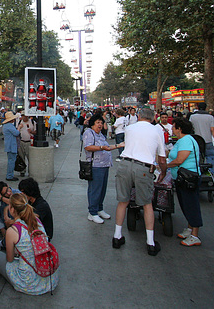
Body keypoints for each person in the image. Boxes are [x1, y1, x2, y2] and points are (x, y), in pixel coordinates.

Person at [113, 108, 167, 256]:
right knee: (147, 203)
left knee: (122, 201)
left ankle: (117, 236)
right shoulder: (157, 130)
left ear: (139, 116)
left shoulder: (129, 128)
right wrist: (164, 171)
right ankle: (150, 242)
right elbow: (161, 158)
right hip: (143, 167)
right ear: (153, 117)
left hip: (125, 164)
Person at [0, 193, 59, 295]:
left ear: (12, 209)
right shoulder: (37, 220)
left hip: (28, 281)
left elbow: (10, 259)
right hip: (48, 278)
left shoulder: (13, 231)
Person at [162, 117, 204, 247]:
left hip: (188, 178)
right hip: (181, 178)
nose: (172, 129)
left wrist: (165, 166)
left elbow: (180, 160)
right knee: (186, 204)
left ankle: (195, 234)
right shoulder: (182, 140)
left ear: (179, 129)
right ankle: (190, 228)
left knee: (191, 205)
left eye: (173, 127)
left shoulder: (186, 141)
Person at [83, 114, 122, 224]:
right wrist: (101, 147)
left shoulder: (100, 135)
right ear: (92, 124)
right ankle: (92, 212)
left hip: (104, 165)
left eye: (101, 122)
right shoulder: (89, 133)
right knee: (95, 189)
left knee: (102, 188)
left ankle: (99, 209)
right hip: (95, 166)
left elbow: (108, 147)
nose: (100, 125)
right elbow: (88, 147)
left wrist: (119, 146)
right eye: (97, 122)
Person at [0, 181, 21, 249]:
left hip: (15, 220)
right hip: (6, 219)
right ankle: (3, 231)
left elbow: (16, 203)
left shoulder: (16, 192)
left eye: (7, 190)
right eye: (5, 193)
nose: (8, 193)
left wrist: (2, 198)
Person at [189, 102, 214, 169]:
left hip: (197, 140)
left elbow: (190, 127)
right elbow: (212, 129)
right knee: (210, 156)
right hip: (208, 139)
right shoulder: (210, 117)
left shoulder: (193, 117)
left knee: (197, 156)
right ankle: (210, 171)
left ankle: (198, 170)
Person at [2, 111, 20, 182]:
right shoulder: (9, 126)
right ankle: (9, 175)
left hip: (8, 145)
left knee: (11, 160)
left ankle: (10, 175)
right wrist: (19, 128)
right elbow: (16, 133)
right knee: (11, 161)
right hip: (11, 145)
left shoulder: (5, 126)